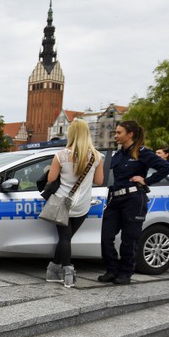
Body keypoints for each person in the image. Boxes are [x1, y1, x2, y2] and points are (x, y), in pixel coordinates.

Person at [99, 121, 169, 285]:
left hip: (133, 200)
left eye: (119, 132)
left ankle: (125, 273)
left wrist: (147, 181)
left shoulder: (142, 153)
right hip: (116, 199)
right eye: (116, 132)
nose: (116, 135)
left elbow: (166, 168)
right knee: (106, 237)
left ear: (130, 134)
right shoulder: (117, 155)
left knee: (129, 239)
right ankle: (112, 270)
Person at [45, 119, 104, 288]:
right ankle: (52, 272)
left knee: (64, 238)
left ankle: (67, 272)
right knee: (67, 239)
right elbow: (100, 181)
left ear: (71, 134)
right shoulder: (96, 156)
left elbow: (51, 179)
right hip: (83, 204)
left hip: (62, 203)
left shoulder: (61, 155)